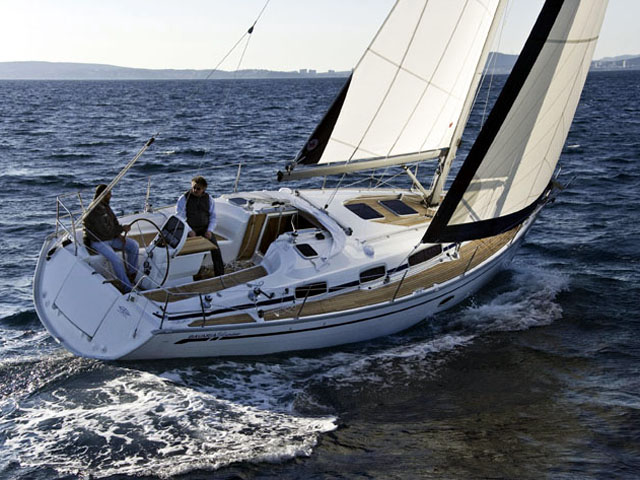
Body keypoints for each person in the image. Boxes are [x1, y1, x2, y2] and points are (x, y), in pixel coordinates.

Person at [83, 184, 139, 293]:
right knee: (116, 260)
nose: (111, 196)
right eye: (108, 194)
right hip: (98, 241)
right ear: (101, 195)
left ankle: (132, 275)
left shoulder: (105, 206)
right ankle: (127, 288)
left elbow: (113, 223)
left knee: (134, 246)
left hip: (110, 238)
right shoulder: (94, 210)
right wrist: (122, 229)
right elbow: (104, 231)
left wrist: (119, 235)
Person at [176, 176, 224, 277]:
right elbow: (180, 218)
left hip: (205, 229)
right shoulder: (183, 198)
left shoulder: (209, 199)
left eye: (198, 188)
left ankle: (220, 275)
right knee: (190, 251)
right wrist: (189, 231)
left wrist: (209, 230)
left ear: (204, 189)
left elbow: (213, 217)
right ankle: (192, 274)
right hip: (189, 229)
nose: (195, 190)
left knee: (216, 249)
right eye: (193, 187)